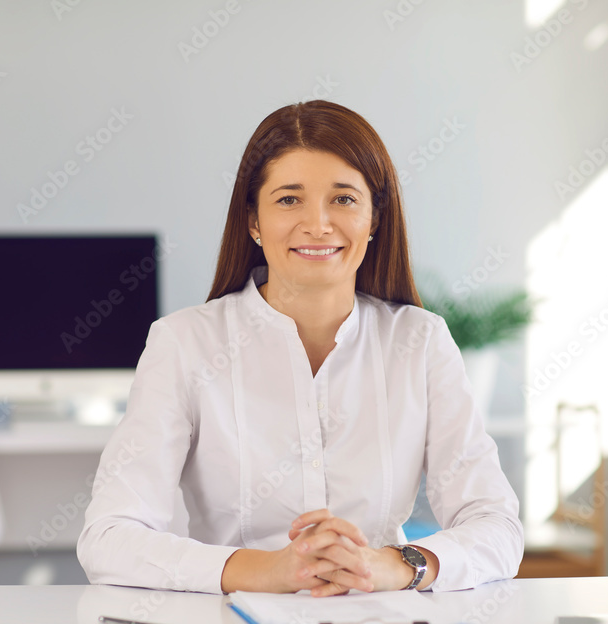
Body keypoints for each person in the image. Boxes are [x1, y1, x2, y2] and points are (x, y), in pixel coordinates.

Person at [76, 100, 523, 597]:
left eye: (344, 199)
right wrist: (268, 571)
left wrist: (394, 566)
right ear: (253, 221)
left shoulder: (420, 341)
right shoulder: (184, 343)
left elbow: (496, 526)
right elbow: (110, 538)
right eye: (289, 200)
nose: (318, 224)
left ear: (374, 219)